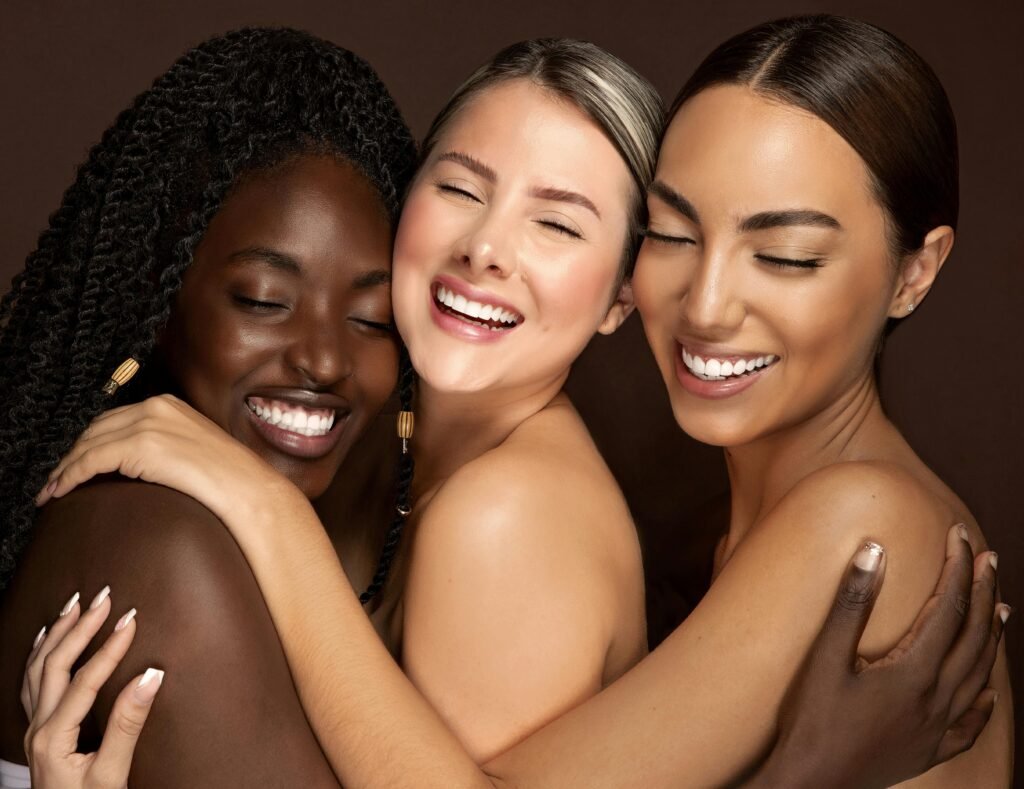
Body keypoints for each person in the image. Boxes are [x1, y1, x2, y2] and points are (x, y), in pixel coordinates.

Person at [20, 14, 1011, 789]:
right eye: (678, 234)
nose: (708, 303)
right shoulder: (746, 520)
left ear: (914, 272)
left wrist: (264, 508)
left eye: (786, 255)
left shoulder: (858, 525)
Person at [0, 27, 419, 787]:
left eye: (372, 317)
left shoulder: (310, 518)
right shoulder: (164, 552)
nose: (324, 358)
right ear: (157, 300)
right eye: (263, 299)